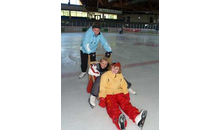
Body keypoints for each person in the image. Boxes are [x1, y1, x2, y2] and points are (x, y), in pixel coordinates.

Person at [98, 62, 147, 130]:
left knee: (126, 104)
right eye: (113, 68)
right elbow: (102, 87)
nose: (115, 70)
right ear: (111, 67)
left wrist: (126, 93)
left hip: (119, 92)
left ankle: (137, 117)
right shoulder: (105, 75)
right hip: (109, 94)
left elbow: (124, 85)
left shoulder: (120, 75)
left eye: (117, 69)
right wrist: (102, 98)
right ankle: (119, 121)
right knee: (112, 107)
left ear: (119, 69)